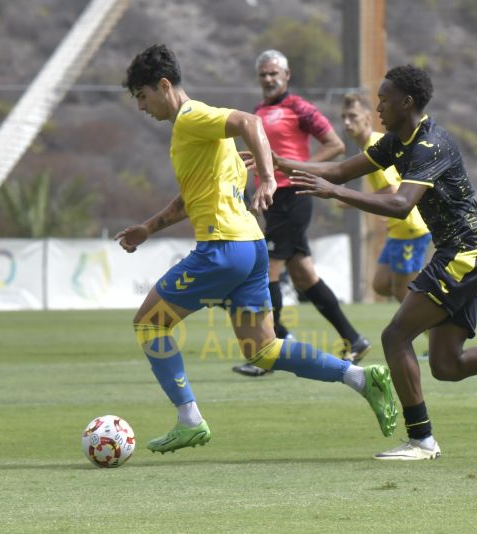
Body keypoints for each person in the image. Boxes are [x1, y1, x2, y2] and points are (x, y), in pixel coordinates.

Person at [278, 64, 477, 460]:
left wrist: (335, 192)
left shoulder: (429, 145)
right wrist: (284, 164)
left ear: (406, 102)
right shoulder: (396, 141)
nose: (378, 106)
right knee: (446, 365)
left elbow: (399, 203)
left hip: (465, 251)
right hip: (465, 251)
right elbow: (340, 168)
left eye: (384, 99)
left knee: (395, 336)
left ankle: (421, 441)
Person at [115, 44, 397, 454]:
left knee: (150, 324)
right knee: (263, 350)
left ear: (163, 85)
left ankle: (189, 419)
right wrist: (149, 227)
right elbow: (190, 198)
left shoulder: (192, 117)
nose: (141, 106)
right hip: (249, 248)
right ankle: (359, 377)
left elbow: (249, 121)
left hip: (222, 249)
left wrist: (267, 177)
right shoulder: (203, 133)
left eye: (142, 96)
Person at [233, 49, 372, 378]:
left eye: (273, 73)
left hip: (292, 196)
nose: (268, 79)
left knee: (268, 272)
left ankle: (268, 351)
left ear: (287, 75)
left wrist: (300, 170)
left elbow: (334, 143)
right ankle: (354, 338)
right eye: (263, 74)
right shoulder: (258, 111)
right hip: (275, 198)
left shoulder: (297, 107)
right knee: (304, 276)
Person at [340, 93, 431, 303]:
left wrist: (350, 198)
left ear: (367, 119)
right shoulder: (374, 143)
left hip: (410, 227)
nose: (346, 122)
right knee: (381, 284)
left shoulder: (375, 147)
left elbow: (391, 191)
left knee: (402, 293)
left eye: (352, 116)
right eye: (344, 117)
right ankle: (427, 296)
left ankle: (434, 329)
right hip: (398, 229)